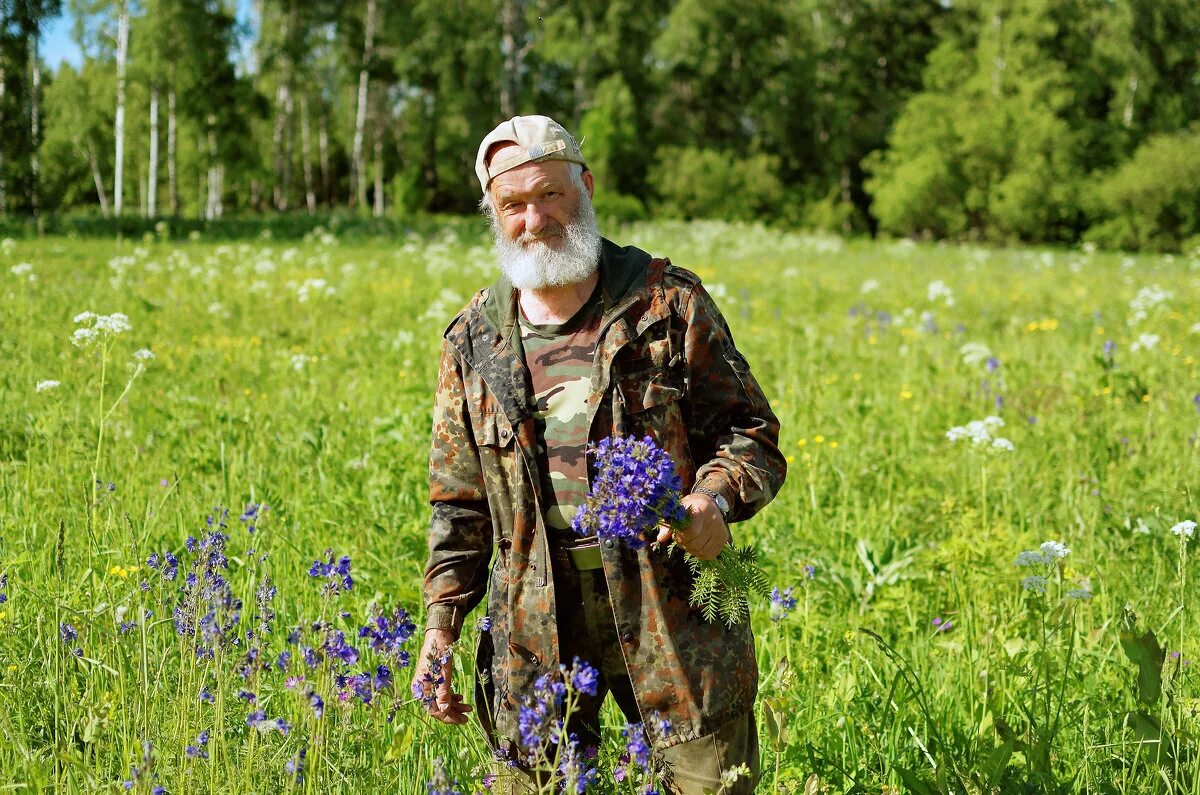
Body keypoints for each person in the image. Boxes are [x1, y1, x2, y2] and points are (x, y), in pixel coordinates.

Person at [413, 114, 786, 794]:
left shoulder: (666, 302)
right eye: (514, 204)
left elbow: (750, 432)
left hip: (670, 609)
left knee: (709, 783)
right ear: (494, 214)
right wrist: (441, 630)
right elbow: (457, 504)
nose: (535, 218)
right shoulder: (473, 340)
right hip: (535, 621)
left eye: (549, 194)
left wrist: (714, 503)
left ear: (583, 186)